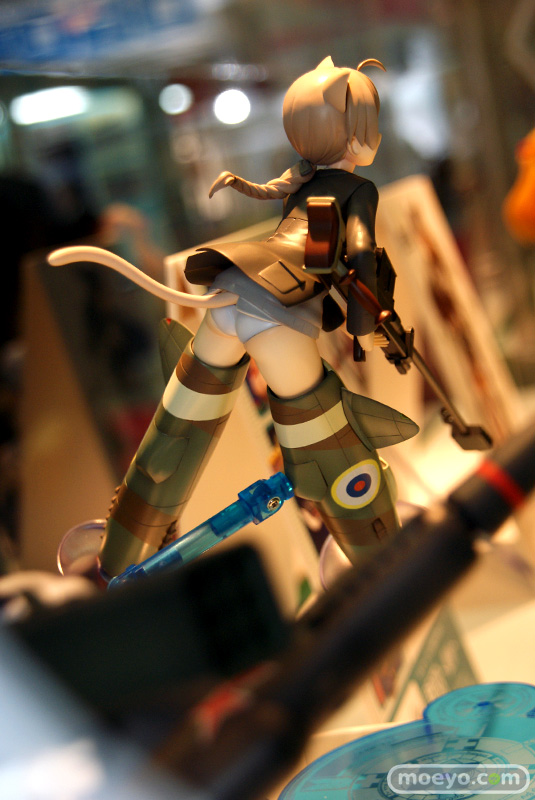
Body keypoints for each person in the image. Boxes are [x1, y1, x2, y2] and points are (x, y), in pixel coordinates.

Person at [50, 57, 418, 578]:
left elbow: (320, 248)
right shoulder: (358, 190)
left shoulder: (305, 181)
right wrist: (370, 325)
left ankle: (119, 548)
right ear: (357, 134)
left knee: (176, 431)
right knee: (338, 460)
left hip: (230, 288)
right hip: (275, 314)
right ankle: (388, 574)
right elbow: (358, 254)